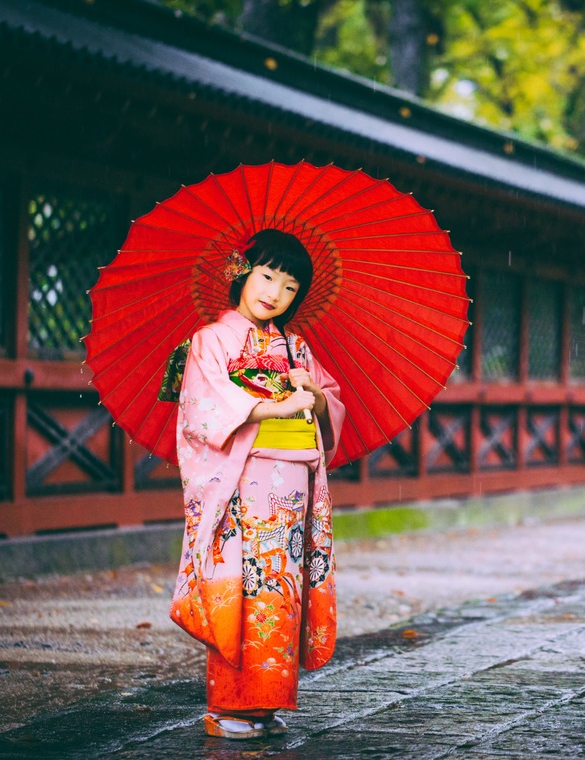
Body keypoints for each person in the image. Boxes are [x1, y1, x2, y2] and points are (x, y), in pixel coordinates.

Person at [168, 229, 345, 740]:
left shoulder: (296, 347)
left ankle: (264, 704)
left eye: (290, 287)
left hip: (292, 488)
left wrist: (315, 396)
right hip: (241, 484)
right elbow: (203, 410)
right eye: (267, 276)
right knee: (244, 589)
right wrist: (276, 407)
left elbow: (330, 402)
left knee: (280, 592)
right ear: (241, 273)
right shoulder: (211, 340)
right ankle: (227, 707)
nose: (275, 293)